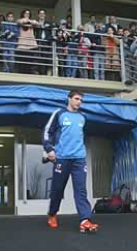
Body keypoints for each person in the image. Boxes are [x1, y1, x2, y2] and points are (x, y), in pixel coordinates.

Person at [42, 90, 99, 233]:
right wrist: (49, 149)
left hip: (79, 159)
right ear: (69, 99)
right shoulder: (59, 114)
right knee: (57, 189)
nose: (79, 102)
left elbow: (78, 136)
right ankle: (52, 214)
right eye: (76, 99)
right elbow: (47, 132)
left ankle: (85, 220)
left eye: (81, 100)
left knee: (81, 190)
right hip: (62, 158)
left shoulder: (82, 117)